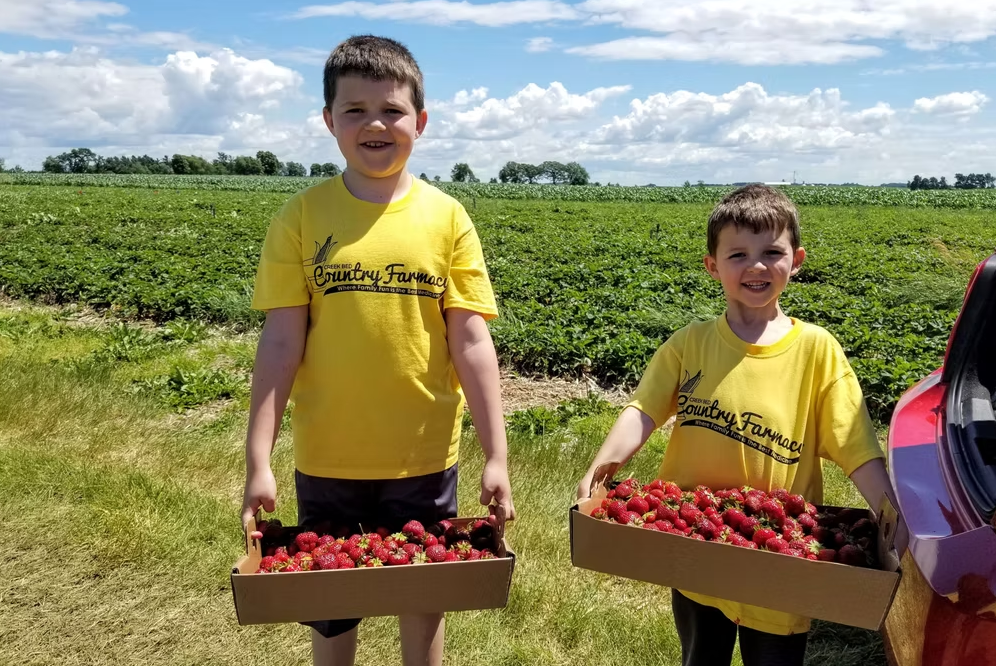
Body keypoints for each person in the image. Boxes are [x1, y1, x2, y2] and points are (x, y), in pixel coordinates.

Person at [240, 34, 514, 666]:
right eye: (355, 110)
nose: (375, 124)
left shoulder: (447, 217)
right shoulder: (301, 217)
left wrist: (496, 454)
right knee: (331, 603)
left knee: (423, 596)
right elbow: (280, 342)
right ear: (328, 120)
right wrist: (259, 460)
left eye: (392, 110)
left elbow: (471, 339)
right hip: (328, 455)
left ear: (421, 120)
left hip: (424, 455)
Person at [576, 184, 908, 666]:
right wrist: (604, 463)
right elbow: (643, 409)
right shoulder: (689, 345)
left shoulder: (817, 351)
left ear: (796, 260)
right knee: (700, 654)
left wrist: (892, 513)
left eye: (772, 252)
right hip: (693, 541)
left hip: (780, 554)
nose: (756, 266)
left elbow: (855, 445)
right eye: (738, 255)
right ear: (713, 266)